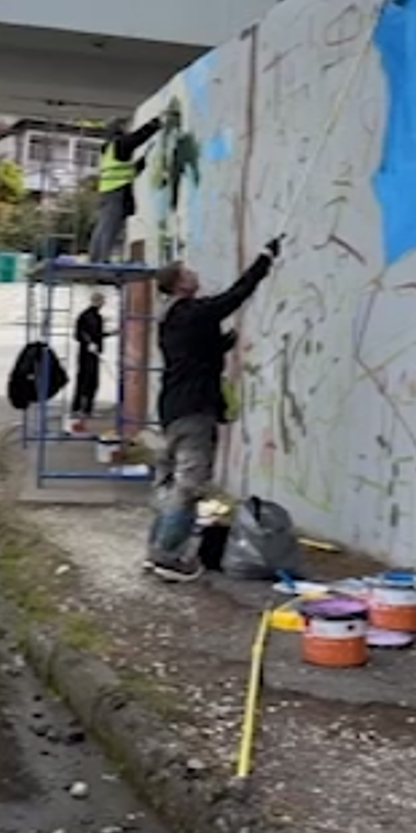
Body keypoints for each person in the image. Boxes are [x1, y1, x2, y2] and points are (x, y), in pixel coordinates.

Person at [145, 237, 281, 582]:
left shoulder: (170, 318)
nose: (194, 274)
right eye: (187, 272)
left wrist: (220, 345)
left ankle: (156, 550)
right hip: (194, 410)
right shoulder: (193, 312)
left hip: (173, 409)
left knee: (173, 486)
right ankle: (167, 557)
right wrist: (265, 258)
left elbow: (192, 352)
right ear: (180, 284)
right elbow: (236, 294)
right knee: (188, 487)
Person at [87, 115, 163, 264]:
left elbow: (121, 172)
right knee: (109, 228)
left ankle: (96, 258)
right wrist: (154, 125)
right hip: (116, 192)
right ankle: (102, 260)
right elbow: (137, 138)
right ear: (119, 130)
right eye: (125, 127)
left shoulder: (108, 150)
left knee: (104, 227)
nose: (127, 130)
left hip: (107, 192)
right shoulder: (120, 144)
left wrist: (138, 166)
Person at [69, 290, 108, 432]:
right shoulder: (85, 316)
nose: (103, 303)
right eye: (101, 300)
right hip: (85, 353)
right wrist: (88, 342)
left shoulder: (98, 316)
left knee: (93, 381)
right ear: (95, 301)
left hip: (94, 353)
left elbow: (98, 334)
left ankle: (88, 409)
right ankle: (77, 408)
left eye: (102, 301)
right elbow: (78, 334)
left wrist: (109, 334)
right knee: (84, 380)